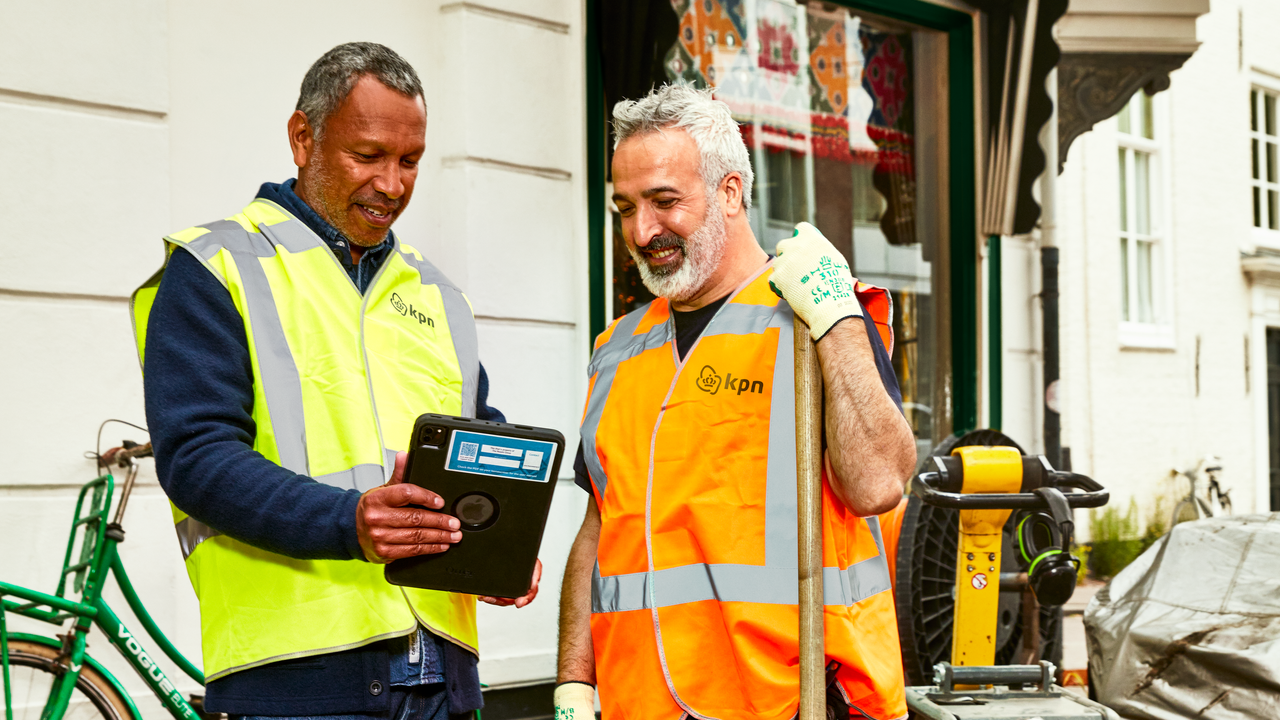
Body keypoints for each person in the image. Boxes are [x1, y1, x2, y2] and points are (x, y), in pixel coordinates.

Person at [132, 42, 538, 720]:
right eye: (368, 155)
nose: (392, 184)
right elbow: (198, 457)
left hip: (446, 677)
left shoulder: (437, 295)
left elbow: (477, 443)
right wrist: (350, 521)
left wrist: (499, 548)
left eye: (410, 161)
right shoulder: (215, 266)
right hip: (296, 681)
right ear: (303, 137)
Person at [554, 85, 915, 720]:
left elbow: (878, 483)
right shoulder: (617, 348)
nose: (642, 231)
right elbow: (598, 529)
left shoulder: (814, 319)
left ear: (729, 191)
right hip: (637, 705)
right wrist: (572, 685)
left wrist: (837, 316)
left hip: (790, 703)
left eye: (665, 201)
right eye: (625, 207)